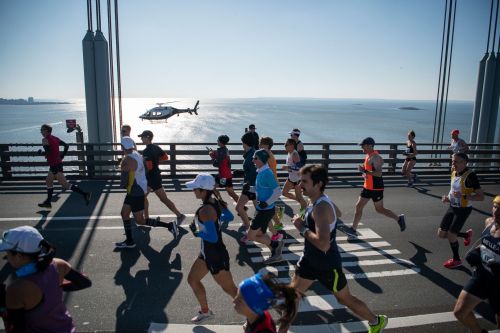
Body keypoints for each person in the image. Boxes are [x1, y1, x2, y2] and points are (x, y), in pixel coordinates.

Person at [286, 165, 388, 333]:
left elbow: (324, 243)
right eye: (300, 180)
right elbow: (338, 213)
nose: (300, 184)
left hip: (327, 265)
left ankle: (375, 321)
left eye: (304, 181)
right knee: (291, 296)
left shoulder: (321, 208)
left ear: (318, 184)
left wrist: (302, 227)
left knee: (344, 299)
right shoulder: (321, 201)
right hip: (309, 261)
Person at [0, 226, 91, 332]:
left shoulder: (17, 289)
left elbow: (15, 329)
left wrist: (2, 305)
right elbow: (85, 282)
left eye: (7, 254)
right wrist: (55, 287)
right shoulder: (58, 264)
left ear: (19, 255)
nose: (7, 257)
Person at [185, 173, 238, 323]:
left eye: (195, 188)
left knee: (232, 291)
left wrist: (197, 232)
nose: (193, 191)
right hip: (206, 253)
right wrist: (216, 220)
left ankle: (255, 317)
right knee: (192, 279)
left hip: (215, 255)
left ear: (203, 190)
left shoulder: (206, 210)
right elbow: (229, 217)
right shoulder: (215, 202)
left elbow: (213, 238)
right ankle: (205, 312)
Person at [115, 137, 178, 249]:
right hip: (134, 190)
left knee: (140, 220)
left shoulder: (128, 159)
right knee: (124, 214)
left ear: (123, 147)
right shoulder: (137, 155)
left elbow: (126, 177)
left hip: (136, 192)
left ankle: (169, 225)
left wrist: (122, 167)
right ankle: (129, 241)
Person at [453, 195, 500, 333]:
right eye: (495, 207)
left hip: (498, 282)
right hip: (482, 275)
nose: (496, 212)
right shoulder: (489, 222)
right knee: (460, 312)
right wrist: (476, 251)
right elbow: (484, 243)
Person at [347, 137, 406, 239]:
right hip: (367, 187)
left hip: (376, 188)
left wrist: (365, 171)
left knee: (380, 209)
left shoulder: (375, 157)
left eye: (363, 145)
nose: (361, 147)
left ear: (370, 146)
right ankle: (353, 229)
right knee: (358, 206)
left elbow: (379, 173)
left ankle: (399, 219)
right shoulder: (368, 156)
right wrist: (364, 172)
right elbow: (370, 171)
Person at [439, 152, 484, 268]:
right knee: (441, 234)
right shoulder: (454, 172)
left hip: (463, 209)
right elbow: (452, 190)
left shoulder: (471, 176)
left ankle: (457, 259)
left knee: (451, 235)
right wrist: (447, 198)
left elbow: (481, 196)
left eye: (455, 161)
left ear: (464, 162)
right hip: (452, 207)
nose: (452, 163)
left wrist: (463, 196)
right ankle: (465, 235)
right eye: (452, 161)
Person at [37, 124, 91, 209]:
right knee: (48, 181)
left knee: (65, 185)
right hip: (56, 164)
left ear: (47, 131)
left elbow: (48, 152)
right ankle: (48, 202)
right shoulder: (55, 138)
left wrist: (41, 153)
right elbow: (66, 145)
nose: (41, 132)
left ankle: (85, 194)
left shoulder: (45, 140)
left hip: (55, 165)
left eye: (42, 130)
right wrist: (62, 156)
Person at [138, 130, 186, 226]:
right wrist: (156, 161)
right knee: (146, 197)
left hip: (152, 178)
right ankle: (146, 218)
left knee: (158, 198)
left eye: (142, 137)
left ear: (147, 137)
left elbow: (149, 166)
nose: (141, 139)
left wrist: (140, 165)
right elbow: (165, 157)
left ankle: (179, 215)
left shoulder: (146, 150)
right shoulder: (156, 147)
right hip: (155, 176)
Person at [248, 149, 284, 264]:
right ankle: (276, 255)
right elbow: (261, 189)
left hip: (265, 210)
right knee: (259, 234)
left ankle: (276, 245)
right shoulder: (261, 172)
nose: (253, 160)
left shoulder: (267, 173)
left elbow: (278, 191)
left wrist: (267, 203)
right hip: (262, 209)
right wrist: (249, 189)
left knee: (251, 235)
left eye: (255, 158)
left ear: (262, 160)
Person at [233, 271, 300, 333]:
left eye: (240, 300)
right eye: (237, 295)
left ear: (254, 308)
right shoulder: (256, 315)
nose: (234, 300)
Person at [259, 136, 285, 233]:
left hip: (270, 183)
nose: (259, 144)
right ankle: (278, 213)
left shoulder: (267, 155)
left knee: (267, 204)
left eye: (261, 143)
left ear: (266, 145)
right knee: (268, 204)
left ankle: (277, 223)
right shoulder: (268, 153)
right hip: (271, 182)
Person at [236, 132, 258, 244]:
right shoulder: (251, 152)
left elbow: (254, 172)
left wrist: (248, 183)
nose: (242, 145)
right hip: (250, 186)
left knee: (240, 208)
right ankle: (250, 231)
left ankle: (250, 232)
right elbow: (250, 171)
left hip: (251, 186)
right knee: (259, 211)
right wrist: (241, 172)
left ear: (245, 143)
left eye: (242, 143)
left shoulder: (252, 155)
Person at [209, 134, 239, 204]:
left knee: (212, 187)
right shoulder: (225, 149)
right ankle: (243, 207)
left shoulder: (222, 151)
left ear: (220, 142)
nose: (217, 141)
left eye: (218, 140)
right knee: (231, 192)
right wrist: (214, 154)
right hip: (227, 174)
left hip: (223, 176)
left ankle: (221, 202)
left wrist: (212, 157)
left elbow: (216, 164)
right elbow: (222, 160)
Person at [282, 139, 307, 214]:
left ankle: (302, 216)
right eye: (285, 144)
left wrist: (287, 168)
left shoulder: (295, 154)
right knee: (284, 193)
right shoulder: (289, 153)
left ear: (292, 146)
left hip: (297, 180)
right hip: (291, 178)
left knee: (300, 198)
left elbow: (298, 167)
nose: (285, 146)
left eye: (286, 144)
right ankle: (302, 202)